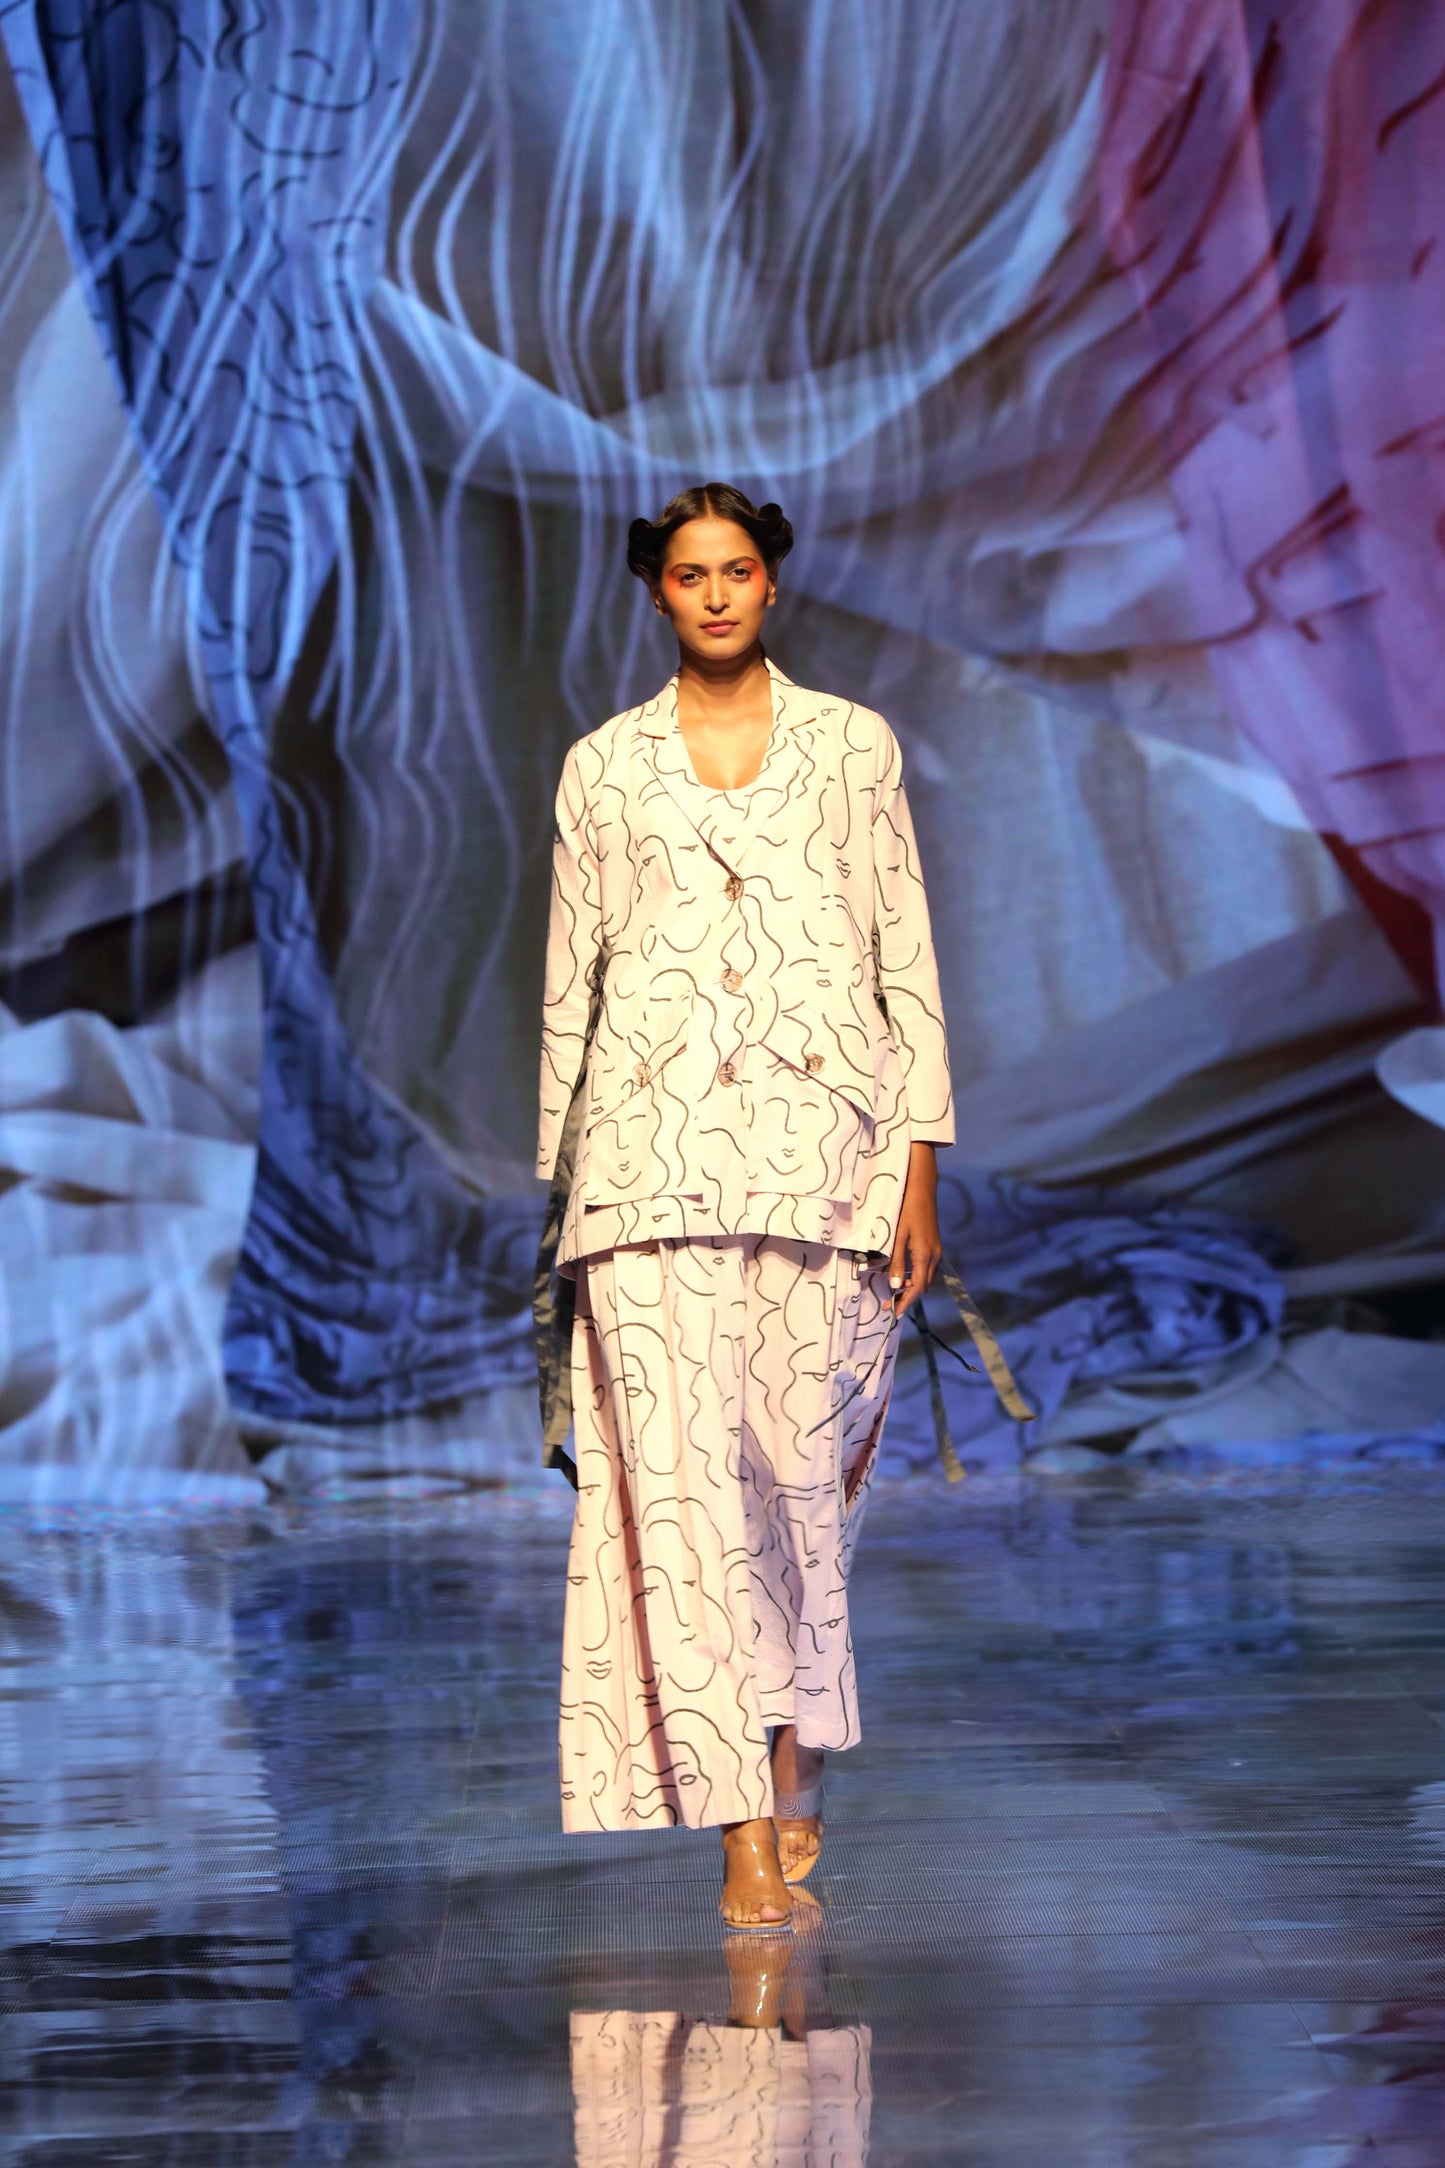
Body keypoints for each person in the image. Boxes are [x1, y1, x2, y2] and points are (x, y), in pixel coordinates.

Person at [535, 482, 978, 1931]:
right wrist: (559, 1197)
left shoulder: (853, 747)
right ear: (655, 591)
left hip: (826, 1158)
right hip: (642, 1168)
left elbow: (901, 953)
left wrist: (917, 1160)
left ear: (770, 585)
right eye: (689, 574)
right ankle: (736, 1825)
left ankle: (792, 1761)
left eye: (736, 571)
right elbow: (571, 983)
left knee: (797, 1487)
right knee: (672, 1502)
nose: (716, 594)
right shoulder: (603, 770)